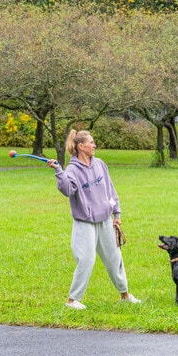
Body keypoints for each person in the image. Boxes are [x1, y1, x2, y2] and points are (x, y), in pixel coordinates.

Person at [48, 130, 141, 310]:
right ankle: (72, 300)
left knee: (115, 258)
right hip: (85, 223)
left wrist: (117, 215)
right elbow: (67, 190)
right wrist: (59, 171)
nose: (94, 145)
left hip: (105, 220)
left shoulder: (99, 164)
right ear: (81, 146)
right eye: (91, 142)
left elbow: (110, 191)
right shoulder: (72, 170)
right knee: (86, 260)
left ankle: (125, 295)